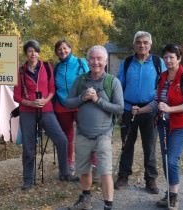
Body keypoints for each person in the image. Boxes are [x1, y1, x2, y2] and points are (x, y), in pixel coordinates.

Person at [134, 44, 183, 210]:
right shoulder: (161, 77)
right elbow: (156, 102)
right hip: (163, 124)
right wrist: (141, 110)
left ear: (179, 58)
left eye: (172, 57)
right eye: (166, 57)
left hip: (182, 125)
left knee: (172, 159)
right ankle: (169, 194)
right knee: (166, 160)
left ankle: (174, 197)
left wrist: (169, 109)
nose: (168, 60)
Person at [64, 45, 124, 210]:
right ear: (88, 60)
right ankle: (86, 200)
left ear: (105, 61)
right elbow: (68, 103)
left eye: (99, 59)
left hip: (103, 135)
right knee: (84, 171)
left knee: (105, 172)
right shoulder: (81, 80)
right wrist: (82, 98)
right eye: (93, 58)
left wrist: (98, 100)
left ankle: (108, 206)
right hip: (83, 134)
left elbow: (119, 108)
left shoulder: (113, 82)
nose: (96, 62)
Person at [13, 40, 74, 191]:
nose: (33, 54)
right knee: (28, 147)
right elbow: (16, 96)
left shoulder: (47, 67)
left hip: (46, 109)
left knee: (62, 140)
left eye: (35, 51)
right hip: (27, 111)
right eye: (29, 51)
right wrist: (31, 103)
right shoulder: (20, 72)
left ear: (39, 52)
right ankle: (28, 180)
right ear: (26, 54)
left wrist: (45, 100)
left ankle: (65, 172)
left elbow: (52, 89)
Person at [115, 31, 166, 194]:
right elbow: (118, 85)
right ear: (134, 44)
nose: (142, 45)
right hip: (129, 110)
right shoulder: (127, 62)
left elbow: (164, 86)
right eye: (139, 42)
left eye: (145, 42)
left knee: (149, 147)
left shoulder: (158, 62)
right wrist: (121, 107)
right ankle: (123, 176)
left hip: (150, 110)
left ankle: (150, 180)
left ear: (150, 45)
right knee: (126, 145)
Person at [53, 39, 90, 179]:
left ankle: (91, 163)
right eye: (59, 49)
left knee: (87, 133)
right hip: (62, 105)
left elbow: (89, 79)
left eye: (65, 48)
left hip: (81, 103)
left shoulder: (80, 62)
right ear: (56, 52)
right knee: (67, 136)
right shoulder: (57, 67)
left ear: (70, 48)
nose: (62, 51)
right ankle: (68, 163)